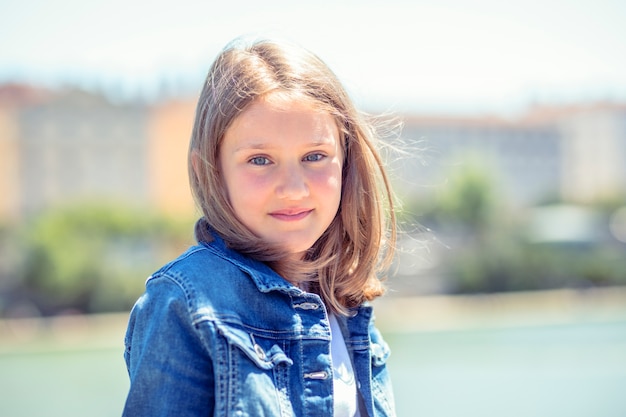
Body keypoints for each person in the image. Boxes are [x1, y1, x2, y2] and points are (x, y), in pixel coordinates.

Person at [122, 36, 398, 417]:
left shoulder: (348, 308)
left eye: (315, 156)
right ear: (211, 172)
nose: (293, 188)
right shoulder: (184, 302)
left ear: (347, 163)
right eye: (260, 160)